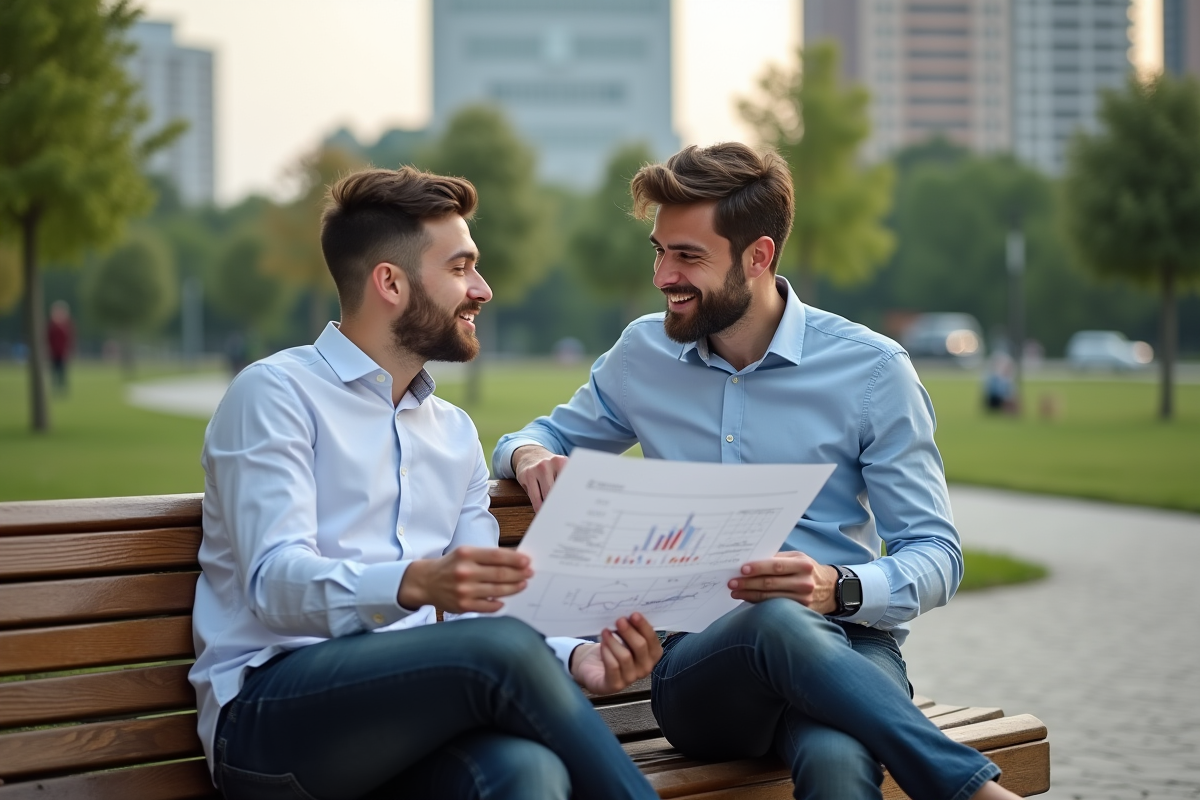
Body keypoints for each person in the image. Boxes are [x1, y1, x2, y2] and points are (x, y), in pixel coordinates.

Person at [494, 144, 1021, 800]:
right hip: (704, 675)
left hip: (853, 650)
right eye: (658, 250)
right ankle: (968, 790)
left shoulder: (874, 371)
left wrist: (839, 588)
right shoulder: (642, 355)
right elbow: (535, 435)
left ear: (759, 256)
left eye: (687, 256)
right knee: (773, 620)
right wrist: (530, 457)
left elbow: (937, 554)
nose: (662, 275)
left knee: (836, 759)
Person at [191, 166, 662, 800]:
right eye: (461, 267)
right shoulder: (275, 394)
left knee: (529, 775)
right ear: (390, 281)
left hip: (408, 727)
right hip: (270, 721)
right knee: (494, 653)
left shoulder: (454, 433)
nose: (483, 289)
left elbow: (492, 602)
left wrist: (578, 657)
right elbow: (273, 584)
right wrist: (415, 583)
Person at [47, 300, 74, 394]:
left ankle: (62, 388)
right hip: (54, 352)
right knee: (54, 370)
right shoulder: (52, 326)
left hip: (62, 352)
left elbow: (69, 338)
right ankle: (55, 387)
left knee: (62, 371)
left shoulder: (66, 325)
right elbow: (48, 338)